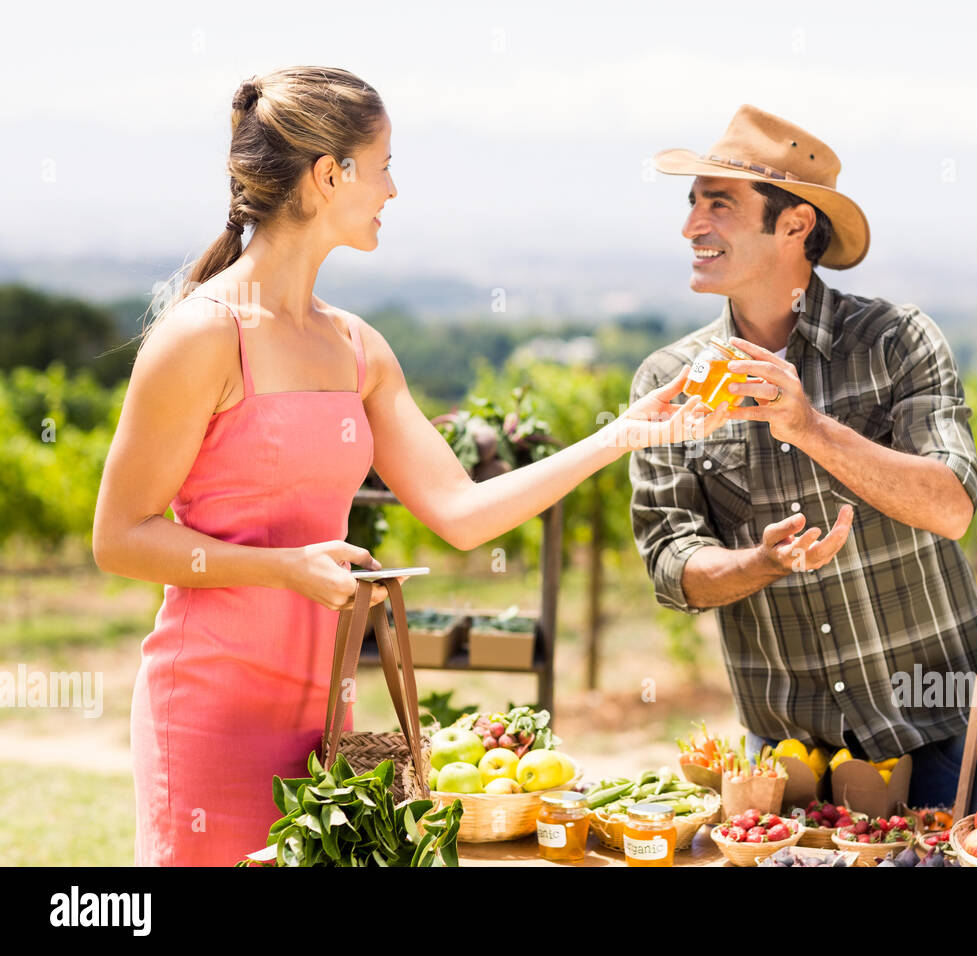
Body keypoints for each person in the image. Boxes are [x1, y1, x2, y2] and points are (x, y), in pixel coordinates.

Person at [92, 66, 726, 866]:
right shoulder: (203, 337)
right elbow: (118, 538)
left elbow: (462, 514)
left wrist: (621, 435)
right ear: (331, 176)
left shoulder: (358, 347)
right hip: (210, 709)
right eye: (385, 163)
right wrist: (282, 569)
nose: (394, 188)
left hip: (325, 715)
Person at [629, 105, 977, 809]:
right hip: (790, 761)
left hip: (945, 737)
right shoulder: (666, 381)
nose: (691, 226)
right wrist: (758, 565)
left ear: (795, 224)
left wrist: (808, 426)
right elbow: (672, 566)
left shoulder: (895, 340)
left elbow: (950, 506)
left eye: (720, 205)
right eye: (692, 203)